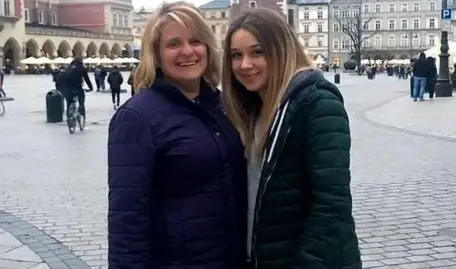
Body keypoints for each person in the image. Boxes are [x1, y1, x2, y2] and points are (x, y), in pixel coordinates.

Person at [107, 2, 247, 269]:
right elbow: (127, 218)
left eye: (196, 41)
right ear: (157, 55)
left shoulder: (220, 105)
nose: (187, 51)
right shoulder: (137, 117)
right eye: (173, 44)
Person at [222, 8, 361, 269]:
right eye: (236, 55)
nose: (245, 65)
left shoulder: (317, 103)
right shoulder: (250, 110)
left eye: (258, 52)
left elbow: (332, 206)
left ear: (282, 49)